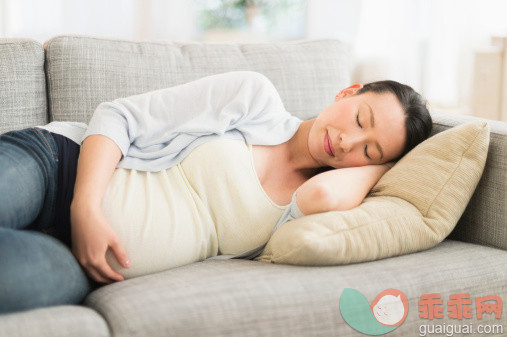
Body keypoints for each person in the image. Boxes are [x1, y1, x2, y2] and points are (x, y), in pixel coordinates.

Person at [0, 71, 432, 315]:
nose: (347, 143)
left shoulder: (305, 206)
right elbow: (118, 117)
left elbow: (327, 199)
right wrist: (87, 208)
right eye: (359, 119)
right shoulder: (255, 98)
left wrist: (384, 163)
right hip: (58, 168)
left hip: (80, 264)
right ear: (347, 92)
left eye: (369, 150)